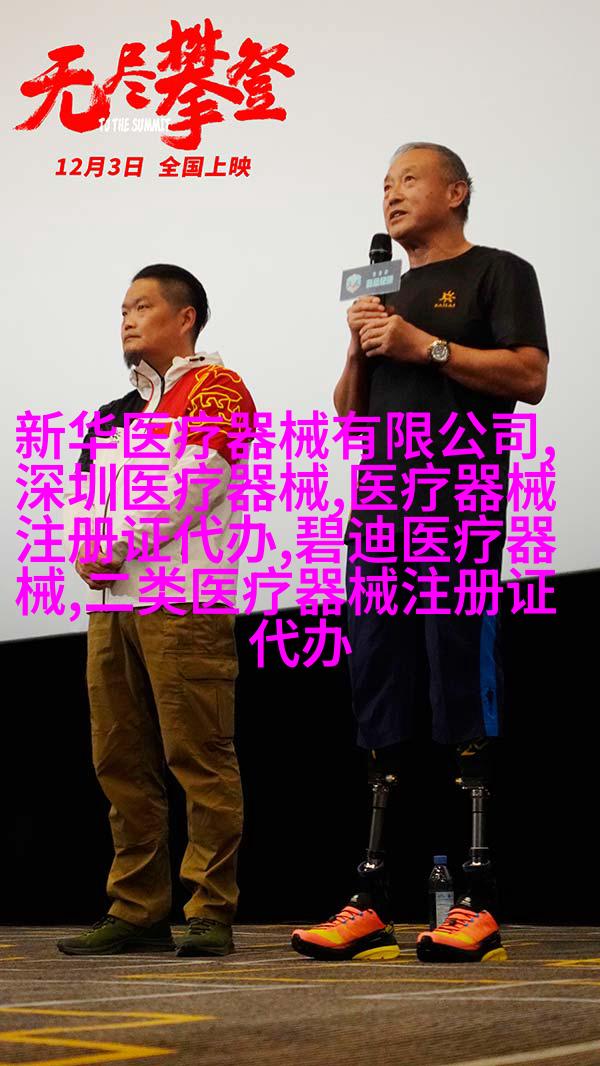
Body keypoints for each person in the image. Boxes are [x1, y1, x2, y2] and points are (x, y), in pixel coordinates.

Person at [291, 143, 549, 963]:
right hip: (378, 511)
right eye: (384, 183)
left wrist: (426, 346)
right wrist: (359, 344)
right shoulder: (383, 289)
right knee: (379, 687)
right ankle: (371, 899)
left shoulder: (498, 271)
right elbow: (349, 413)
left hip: (457, 507)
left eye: (408, 179)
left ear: (456, 190)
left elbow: (530, 377)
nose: (391, 193)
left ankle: (476, 897)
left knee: (460, 684)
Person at [57, 264, 256, 957]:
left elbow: (194, 486)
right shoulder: (113, 413)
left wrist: (112, 543)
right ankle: (138, 909)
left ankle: (210, 908)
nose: (127, 320)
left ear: (186, 317)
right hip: (112, 608)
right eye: (122, 310)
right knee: (120, 759)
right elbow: (84, 496)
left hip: (185, 600)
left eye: (142, 307)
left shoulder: (218, 389)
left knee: (199, 756)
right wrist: (81, 545)